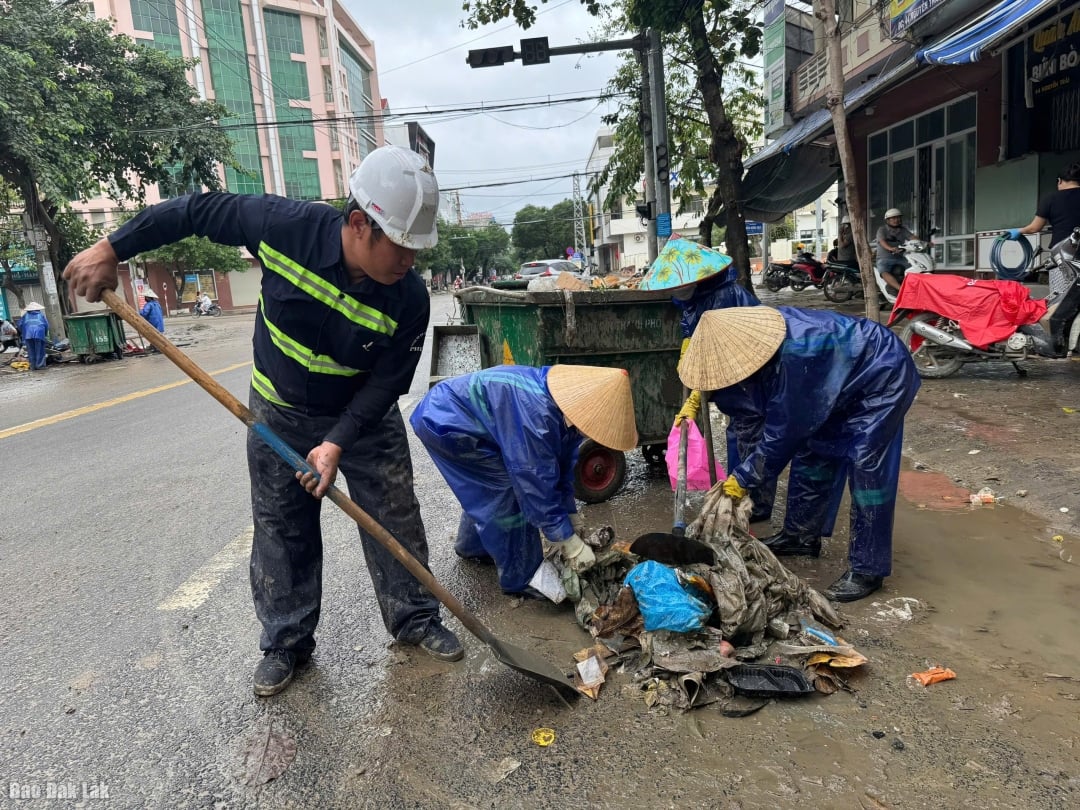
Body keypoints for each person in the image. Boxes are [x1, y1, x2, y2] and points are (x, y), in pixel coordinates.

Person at [62, 144, 462, 697]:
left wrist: (337, 442)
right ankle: (286, 643)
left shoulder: (409, 298)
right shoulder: (282, 227)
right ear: (357, 224)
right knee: (281, 527)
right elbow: (195, 211)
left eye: (417, 250)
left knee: (395, 517)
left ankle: (416, 617)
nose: (409, 262)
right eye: (400, 246)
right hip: (280, 411)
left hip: (362, 421)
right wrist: (113, 245)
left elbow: (388, 382)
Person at [679, 306, 920, 602]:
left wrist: (742, 479)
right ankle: (801, 536)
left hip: (880, 372)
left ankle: (868, 568)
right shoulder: (744, 342)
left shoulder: (793, 360)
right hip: (832, 373)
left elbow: (782, 435)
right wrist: (697, 395)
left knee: (866, 464)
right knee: (813, 453)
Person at [410, 365, 637, 597]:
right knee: (508, 494)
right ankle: (522, 578)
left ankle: (472, 547)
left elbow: (561, 468)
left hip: (458, 414)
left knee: (488, 490)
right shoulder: (537, 420)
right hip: (447, 424)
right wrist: (567, 540)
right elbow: (534, 485)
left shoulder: (562, 411)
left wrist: (571, 514)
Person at [640, 239, 774, 523]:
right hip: (730, 375)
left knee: (751, 433)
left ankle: (755, 505)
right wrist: (688, 347)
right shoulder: (691, 299)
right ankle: (739, 495)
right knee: (736, 432)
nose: (677, 291)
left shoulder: (724, 297)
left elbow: (720, 352)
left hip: (747, 369)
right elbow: (692, 328)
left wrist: (696, 396)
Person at [1005, 162, 1080, 249]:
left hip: (1062, 250)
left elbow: (1034, 227)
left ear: (1059, 181)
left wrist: (1018, 231)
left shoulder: (1050, 198)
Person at [875, 208, 917, 292]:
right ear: (887, 220)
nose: (896, 220)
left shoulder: (903, 230)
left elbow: (913, 237)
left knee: (915, 268)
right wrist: (890, 248)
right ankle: (901, 290)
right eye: (893, 218)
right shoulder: (882, 229)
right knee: (883, 271)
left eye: (898, 218)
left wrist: (923, 242)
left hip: (900, 257)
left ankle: (914, 288)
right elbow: (882, 241)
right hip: (884, 258)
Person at [19, 302, 49, 370]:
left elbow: (20, 325)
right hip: (39, 334)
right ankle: (40, 366)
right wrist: (45, 334)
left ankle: (33, 366)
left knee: (31, 350)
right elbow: (46, 325)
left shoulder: (25, 316)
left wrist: (24, 332)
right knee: (40, 350)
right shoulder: (41, 315)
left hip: (27, 335)